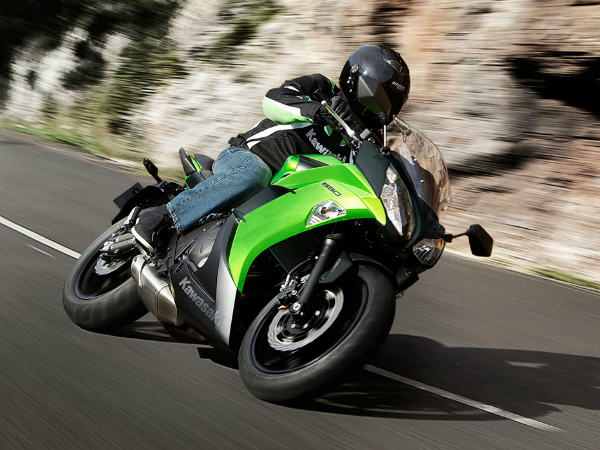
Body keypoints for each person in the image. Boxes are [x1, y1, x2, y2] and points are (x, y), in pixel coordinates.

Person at [132, 44, 410, 253]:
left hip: (289, 196)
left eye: (387, 102)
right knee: (255, 174)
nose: (378, 105)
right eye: (376, 96)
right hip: (249, 157)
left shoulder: (366, 145)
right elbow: (273, 101)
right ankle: (161, 219)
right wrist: (317, 111)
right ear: (357, 81)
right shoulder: (322, 88)